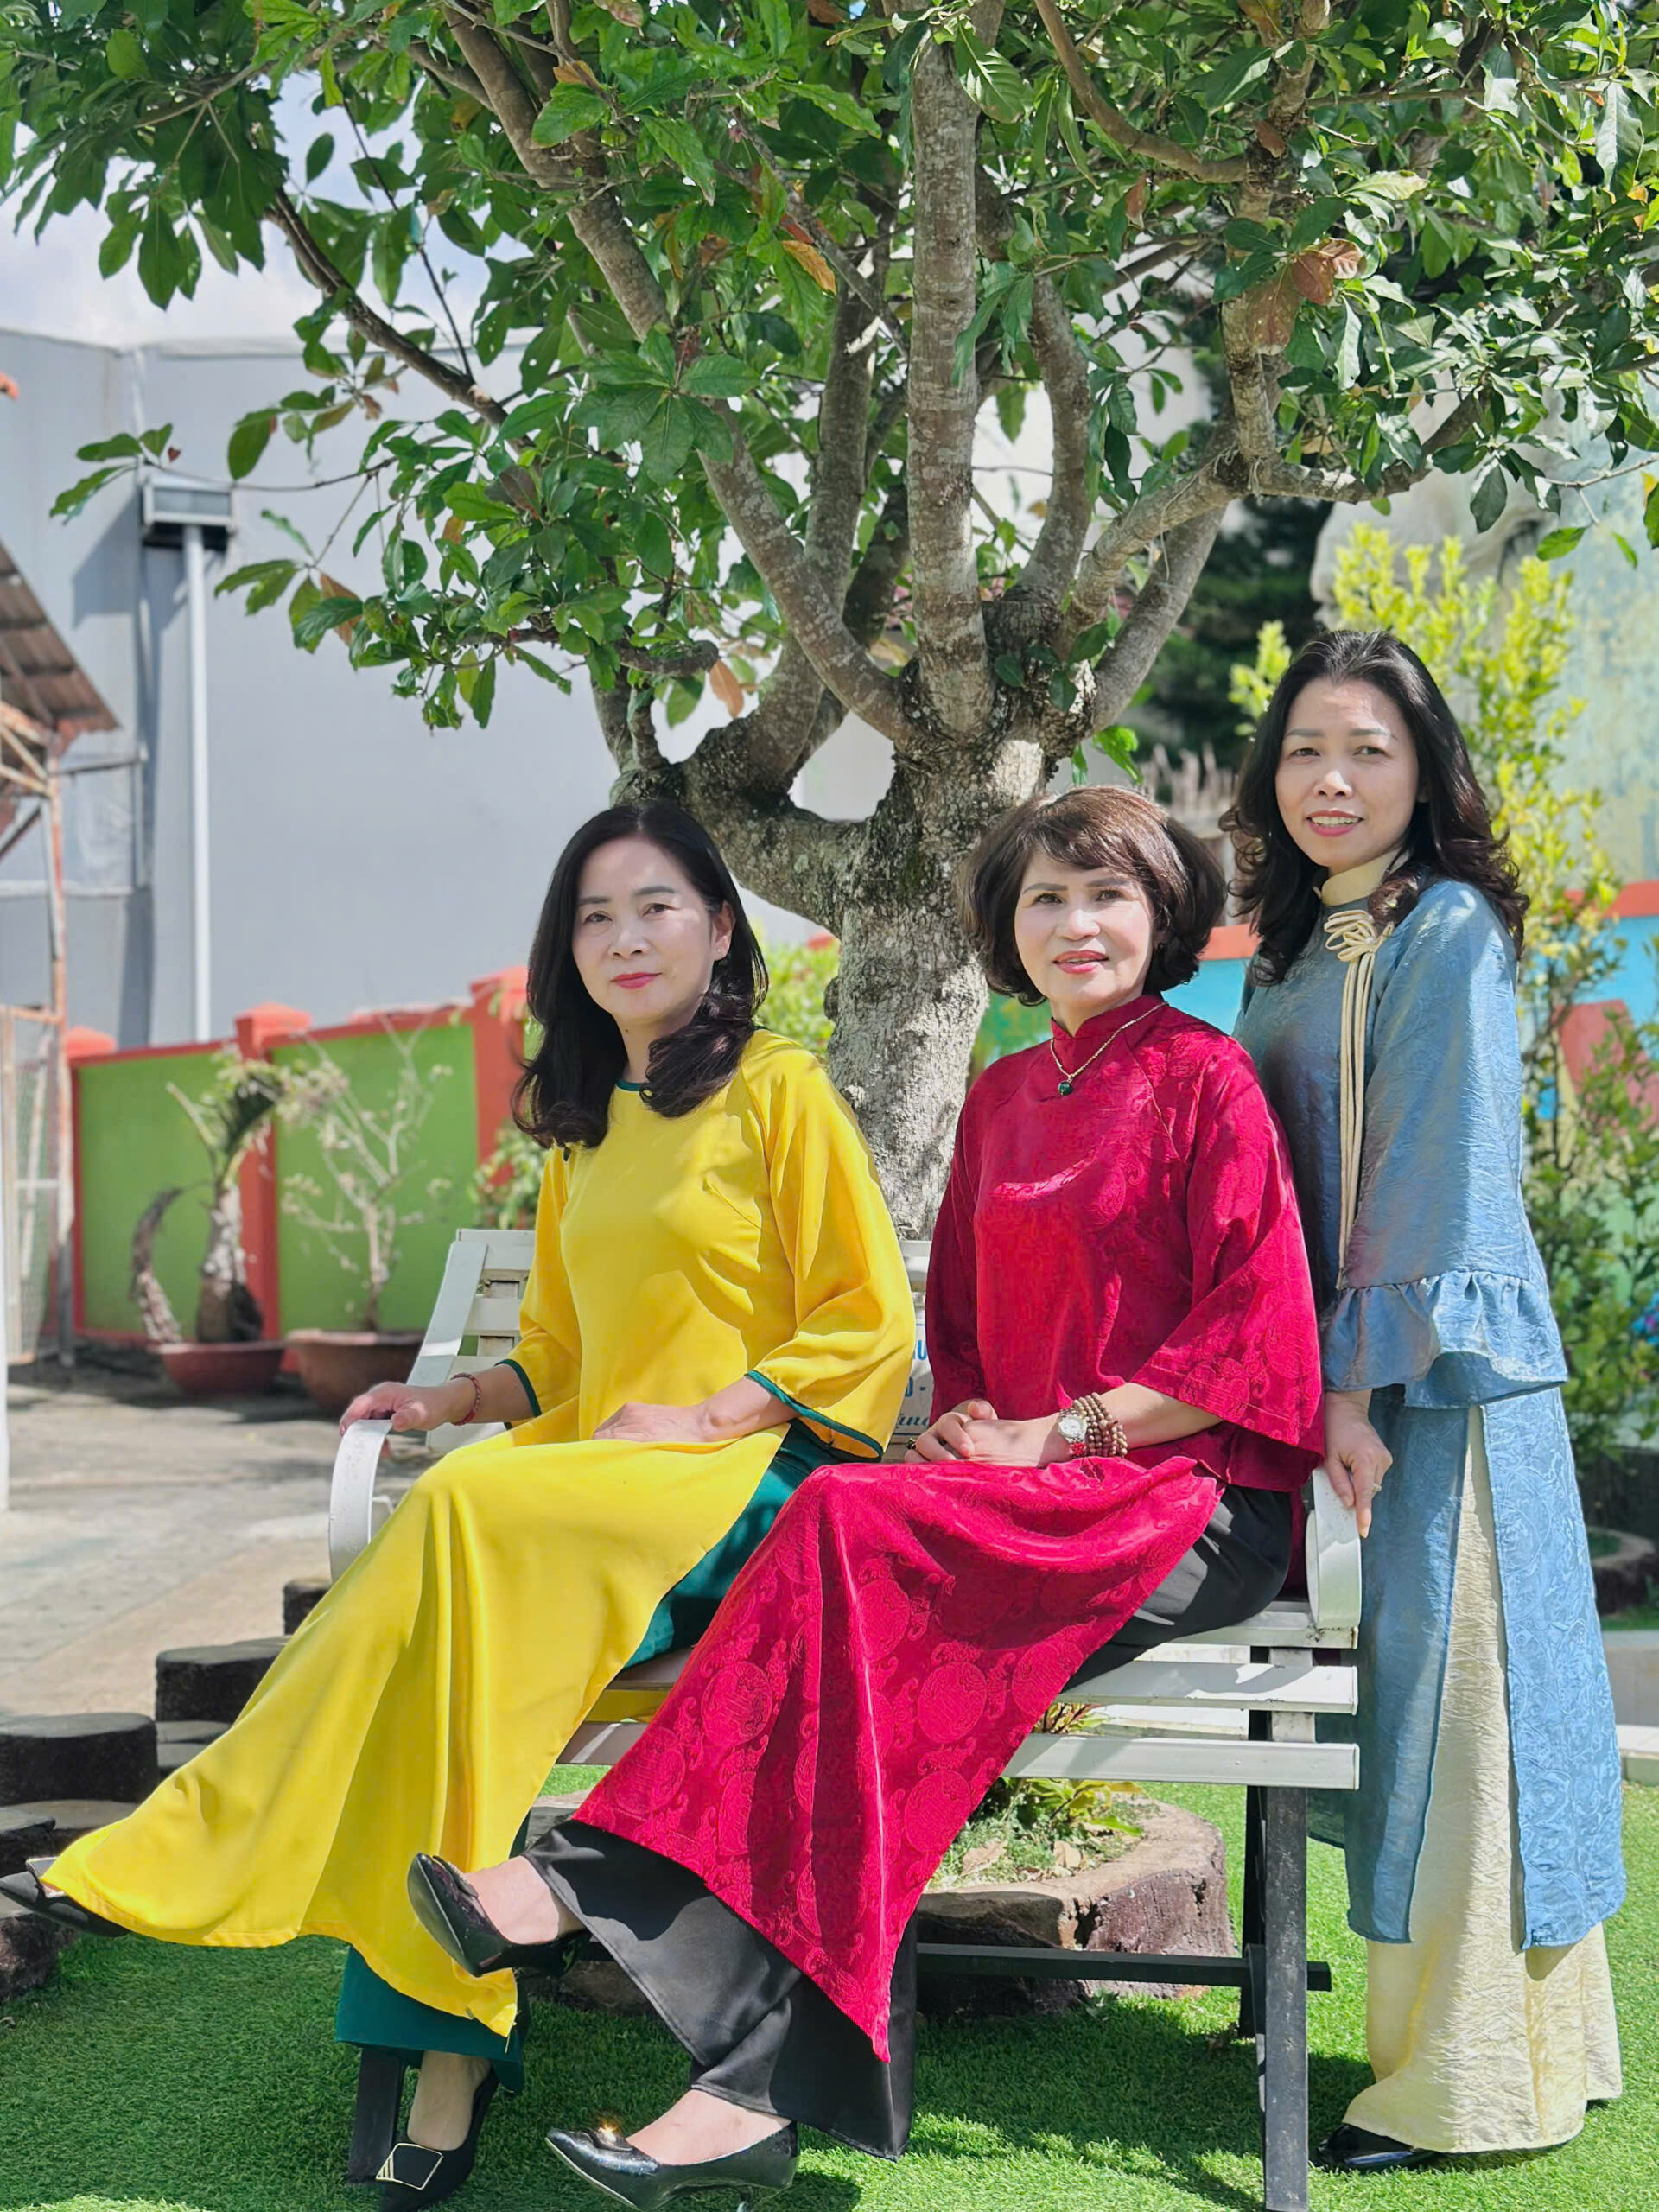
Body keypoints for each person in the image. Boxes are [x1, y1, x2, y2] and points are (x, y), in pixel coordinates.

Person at [406, 785, 1328, 2210]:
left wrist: (1062, 1431)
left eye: (1109, 896)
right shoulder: (1006, 1097)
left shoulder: (1207, 1080)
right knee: (847, 1647)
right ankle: (744, 2094)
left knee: (839, 1521)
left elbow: (1258, 1347)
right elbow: (963, 1329)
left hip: (1183, 1503)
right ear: (1008, 929)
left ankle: (587, 1878)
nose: (1078, 925)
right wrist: (974, 1419)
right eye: (1046, 899)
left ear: (1165, 915)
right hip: (1025, 1499)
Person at [0, 802, 913, 2210]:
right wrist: (449, 1401)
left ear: (722, 927)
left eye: (656, 907)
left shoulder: (779, 1088)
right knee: (449, 1647)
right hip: (594, 1492)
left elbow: (866, 1316)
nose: (625, 939)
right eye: (595, 918)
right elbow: (557, 1354)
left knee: (465, 1519)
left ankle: (198, 1842)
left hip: (750, 1480)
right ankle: (440, 2038)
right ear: (568, 951)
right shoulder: (582, 1133)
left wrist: (705, 1415)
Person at [1227, 630, 1624, 2171]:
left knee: (1463, 1722)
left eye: (1368, 751)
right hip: (1338, 1386)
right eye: (1306, 749)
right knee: (1413, 1720)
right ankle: (1512, 2051)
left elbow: (1431, 1173)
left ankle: (1465, 2087)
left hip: (1430, 1390)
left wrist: (1353, 1389)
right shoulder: (1293, 943)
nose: (1331, 780)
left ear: (1425, 771)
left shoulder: (1442, 925)